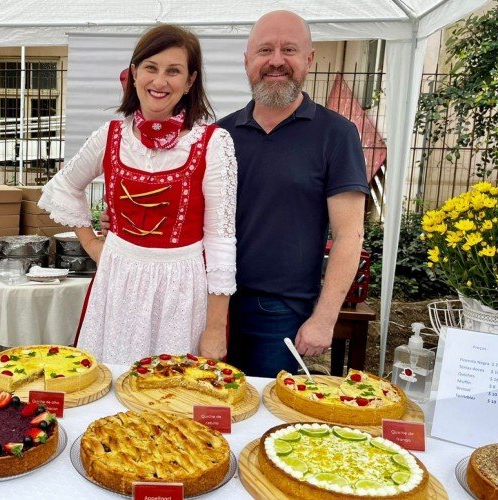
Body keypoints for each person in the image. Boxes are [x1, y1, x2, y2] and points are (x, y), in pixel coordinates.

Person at [39, 24, 238, 365]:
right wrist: (92, 245)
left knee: (171, 395)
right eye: (151, 68)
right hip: (118, 281)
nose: (160, 82)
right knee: (109, 388)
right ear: (134, 74)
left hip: (181, 286)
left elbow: (220, 239)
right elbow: (64, 186)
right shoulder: (110, 135)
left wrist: (216, 326)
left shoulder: (213, 144)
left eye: (173, 71)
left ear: (190, 82)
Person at [215, 10, 368, 377]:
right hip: (211, 304)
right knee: (206, 412)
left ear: (309, 60)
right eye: (265, 50)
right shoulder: (220, 135)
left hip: (281, 313)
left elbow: (349, 235)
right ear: (247, 61)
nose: (276, 61)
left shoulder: (336, 134)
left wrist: (324, 319)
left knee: (267, 419)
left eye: (289, 50)